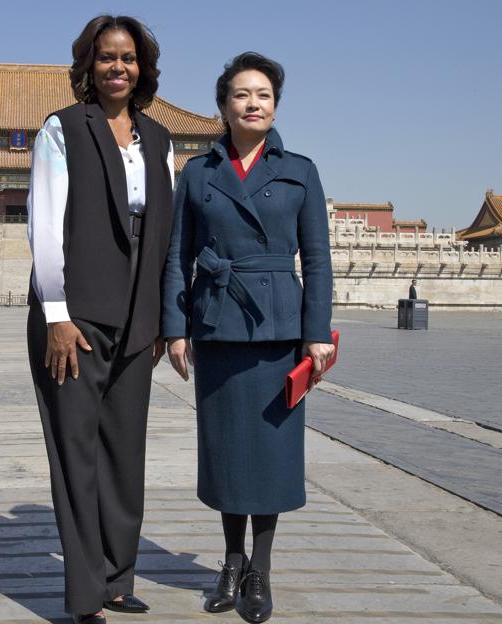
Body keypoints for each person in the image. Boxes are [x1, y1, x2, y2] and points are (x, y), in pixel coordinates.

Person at [161, 52, 335, 623]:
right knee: (227, 452)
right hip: (216, 325)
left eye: (263, 94)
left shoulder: (300, 169)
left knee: (272, 456)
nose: (253, 103)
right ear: (224, 106)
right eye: (241, 94)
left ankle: (259, 567)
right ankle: (229, 561)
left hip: (278, 331)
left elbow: (316, 258)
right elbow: (177, 257)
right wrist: (175, 329)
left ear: (275, 105)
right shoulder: (197, 172)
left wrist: (316, 334)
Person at [26, 15, 174, 624]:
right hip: (78, 311)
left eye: (129, 58)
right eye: (106, 57)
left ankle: (119, 576)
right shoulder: (63, 129)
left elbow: (165, 228)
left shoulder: (159, 138)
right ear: (88, 64)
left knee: (123, 451)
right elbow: (44, 220)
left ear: (143, 67)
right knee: (77, 452)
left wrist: (164, 315)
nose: (119, 67)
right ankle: (85, 592)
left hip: (139, 309)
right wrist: (57, 313)